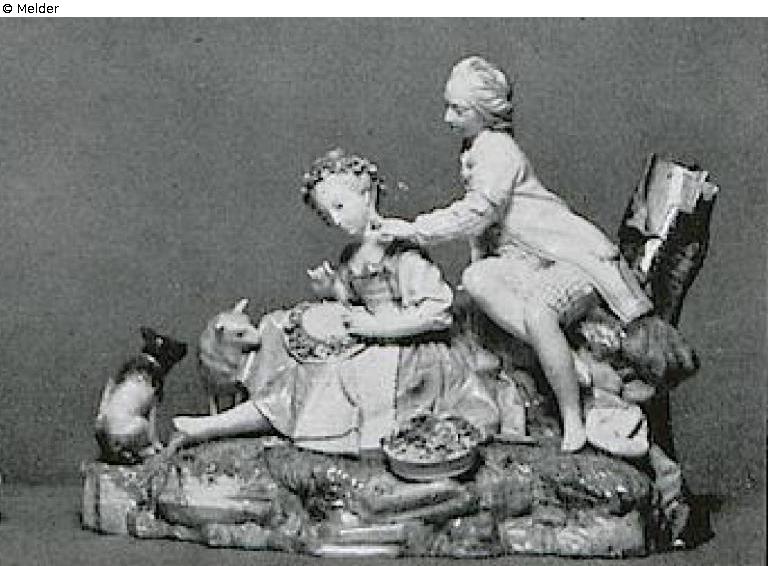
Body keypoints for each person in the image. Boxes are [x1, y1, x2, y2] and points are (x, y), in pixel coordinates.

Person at [378, 56, 652, 452]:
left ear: (485, 112)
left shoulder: (498, 151)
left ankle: (573, 415)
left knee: (540, 314)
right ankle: (567, 360)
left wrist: (413, 229)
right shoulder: (476, 148)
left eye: (458, 109)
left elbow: (477, 213)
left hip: (568, 259)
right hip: (526, 262)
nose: (447, 118)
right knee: (476, 280)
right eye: (448, 106)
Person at [169, 149, 499, 455]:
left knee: (328, 377)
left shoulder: (400, 249)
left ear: (367, 195)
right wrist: (331, 290)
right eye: (328, 216)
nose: (336, 220)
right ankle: (219, 425)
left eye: (340, 207)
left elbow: (438, 313)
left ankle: (219, 426)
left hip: (407, 349)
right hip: (366, 338)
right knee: (302, 370)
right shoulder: (352, 254)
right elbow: (353, 301)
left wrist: (378, 328)